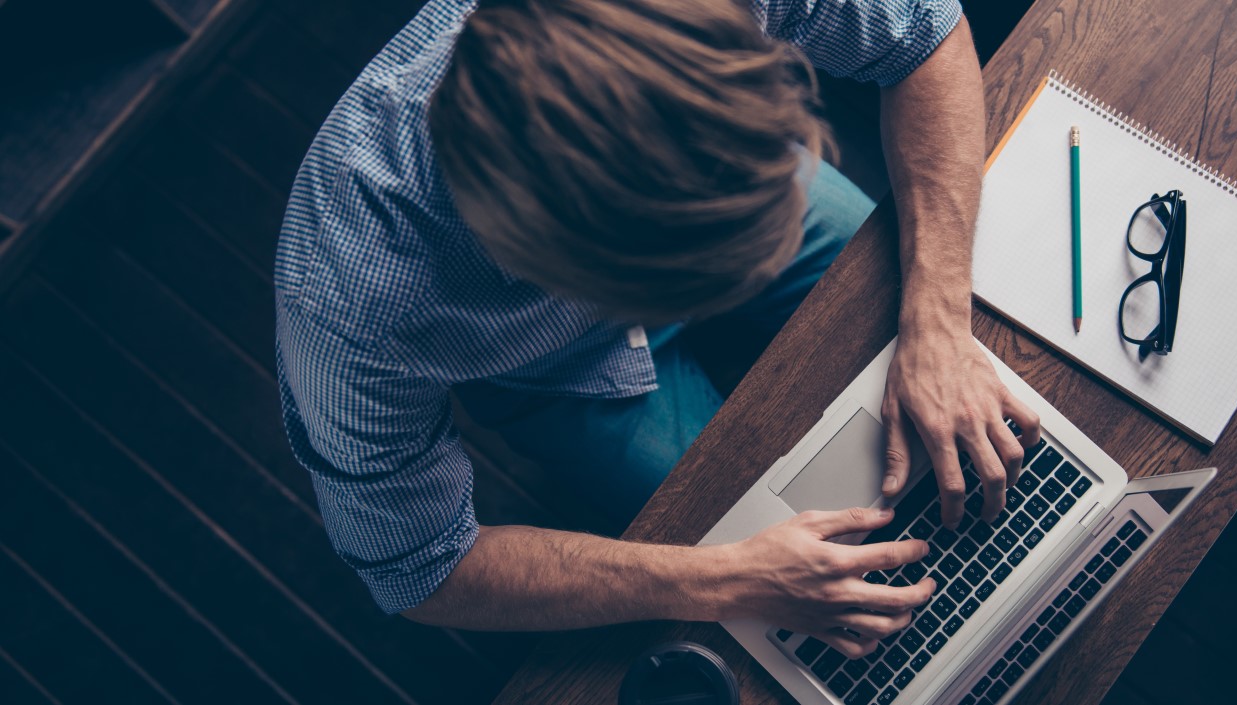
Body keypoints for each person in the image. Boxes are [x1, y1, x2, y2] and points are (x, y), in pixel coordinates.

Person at [275, 0, 1039, 658]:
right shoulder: (347, 304)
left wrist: (937, 315)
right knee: (742, 531)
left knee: (981, 337)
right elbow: (424, 569)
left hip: (739, 189)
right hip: (555, 370)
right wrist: (729, 575)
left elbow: (923, 32)